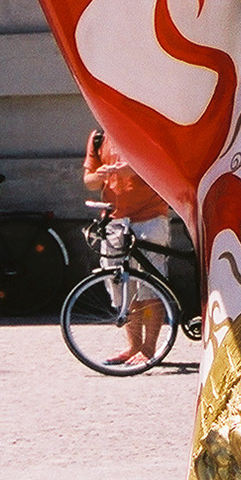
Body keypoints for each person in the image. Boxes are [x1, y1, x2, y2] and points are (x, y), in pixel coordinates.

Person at [82, 127, 172, 366]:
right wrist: (100, 175)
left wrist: (134, 169)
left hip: (150, 217)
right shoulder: (99, 136)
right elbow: (89, 181)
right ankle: (133, 346)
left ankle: (149, 348)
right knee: (123, 287)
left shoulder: (143, 127)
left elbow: (164, 169)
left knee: (150, 287)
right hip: (115, 220)